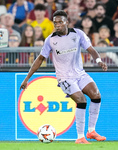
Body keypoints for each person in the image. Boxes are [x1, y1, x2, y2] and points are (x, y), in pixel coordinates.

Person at [20, 10, 107, 144]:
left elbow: (91, 49)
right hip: (64, 78)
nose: (57, 25)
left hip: (79, 74)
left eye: (60, 22)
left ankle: (91, 131)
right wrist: (27, 78)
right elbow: (39, 59)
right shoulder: (50, 40)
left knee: (96, 95)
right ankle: (80, 137)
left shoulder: (78, 34)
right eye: (55, 23)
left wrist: (99, 61)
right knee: (81, 100)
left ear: (66, 22)